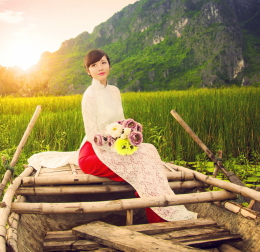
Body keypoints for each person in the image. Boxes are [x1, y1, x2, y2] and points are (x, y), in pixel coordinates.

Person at [28, 49, 196, 223]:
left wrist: (128, 136)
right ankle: (157, 216)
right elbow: (93, 134)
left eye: (103, 62)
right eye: (94, 65)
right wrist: (115, 146)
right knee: (139, 167)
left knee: (149, 151)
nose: (100, 67)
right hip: (95, 150)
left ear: (109, 64)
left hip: (117, 144)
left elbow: (121, 121)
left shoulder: (114, 91)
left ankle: (161, 205)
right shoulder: (89, 96)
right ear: (88, 71)